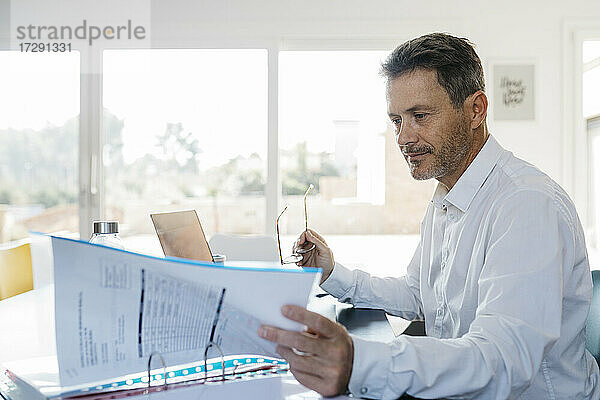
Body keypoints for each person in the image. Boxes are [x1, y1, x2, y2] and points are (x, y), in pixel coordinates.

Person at [258, 33, 600, 399]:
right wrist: (332, 273)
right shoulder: (447, 196)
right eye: (396, 121)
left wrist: (361, 361)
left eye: (420, 116)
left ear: (476, 110)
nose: (404, 138)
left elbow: (503, 359)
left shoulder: (526, 205)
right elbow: (420, 294)